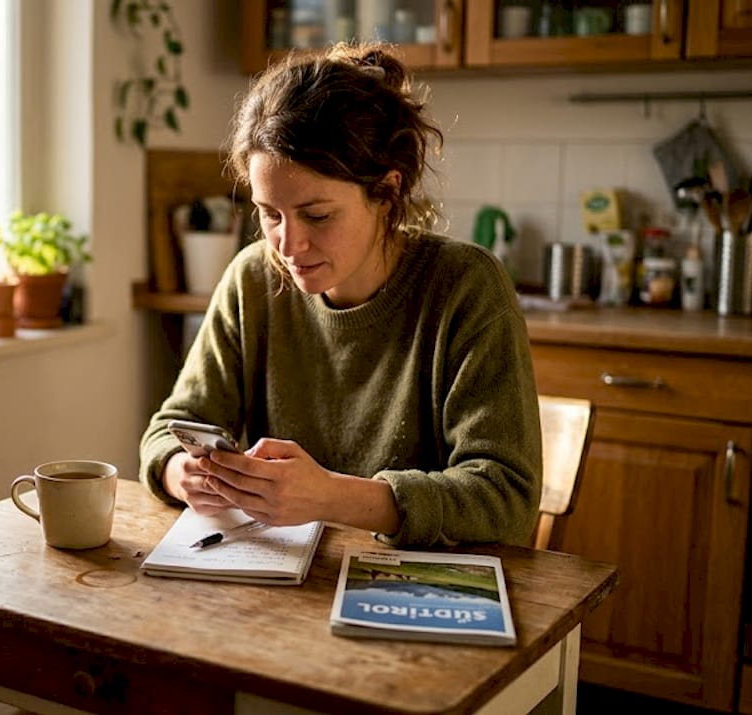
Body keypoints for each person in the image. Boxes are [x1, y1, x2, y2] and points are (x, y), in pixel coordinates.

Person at [138, 42, 542, 547]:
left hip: (418, 593)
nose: (288, 244)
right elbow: (170, 428)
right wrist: (186, 473)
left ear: (387, 192)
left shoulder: (465, 287)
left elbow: (506, 498)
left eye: (317, 215)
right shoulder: (252, 280)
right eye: (270, 213)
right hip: (284, 593)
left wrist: (330, 497)